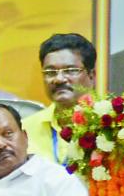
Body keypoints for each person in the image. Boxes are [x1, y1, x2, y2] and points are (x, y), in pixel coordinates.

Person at [23, 33, 95, 165]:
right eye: (50, 72)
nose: (59, 79)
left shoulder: (111, 127)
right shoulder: (25, 129)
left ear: (91, 75)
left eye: (70, 70)